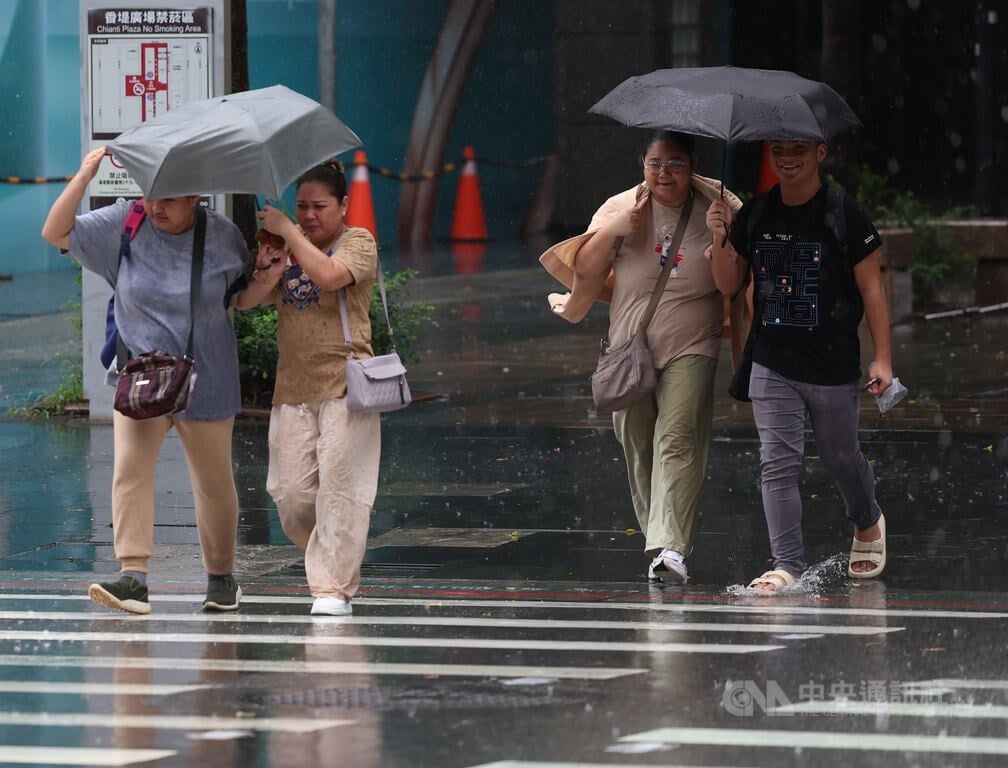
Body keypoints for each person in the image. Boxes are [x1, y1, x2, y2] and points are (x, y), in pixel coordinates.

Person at [41, 146, 253, 614]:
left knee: (213, 483)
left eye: (170, 199)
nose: (156, 206)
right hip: (142, 378)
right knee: (130, 474)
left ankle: (221, 579)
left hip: (207, 377)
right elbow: (54, 230)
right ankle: (132, 577)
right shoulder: (126, 222)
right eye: (150, 194)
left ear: (196, 196)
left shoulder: (222, 236)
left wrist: (275, 266)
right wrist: (83, 175)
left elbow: (240, 296)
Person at [540, 131, 745, 585]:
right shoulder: (621, 208)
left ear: (693, 165)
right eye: (655, 164)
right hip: (630, 346)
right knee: (637, 443)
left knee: (677, 439)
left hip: (694, 341)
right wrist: (613, 232)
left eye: (674, 164)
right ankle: (662, 538)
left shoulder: (723, 207)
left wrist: (720, 235)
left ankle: (671, 548)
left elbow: (732, 287)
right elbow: (586, 270)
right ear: (643, 166)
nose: (663, 173)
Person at [706, 139, 892, 594]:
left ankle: (867, 520)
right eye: (779, 151)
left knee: (840, 457)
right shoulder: (756, 212)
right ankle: (786, 565)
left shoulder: (844, 213)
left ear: (821, 153)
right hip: (772, 359)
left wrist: (883, 357)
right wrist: (719, 236)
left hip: (832, 363)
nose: (787, 159)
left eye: (799, 150)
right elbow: (730, 284)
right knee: (777, 464)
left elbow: (872, 290)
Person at [233, 159, 380, 617]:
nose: (310, 215)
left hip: (346, 386)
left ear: (343, 206)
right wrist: (270, 271)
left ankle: (333, 589)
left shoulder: (358, 242)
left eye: (319, 206)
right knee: (291, 497)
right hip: (291, 391)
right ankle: (331, 550)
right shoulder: (288, 248)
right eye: (302, 206)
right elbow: (244, 303)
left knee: (340, 491)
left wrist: (291, 234)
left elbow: (331, 277)